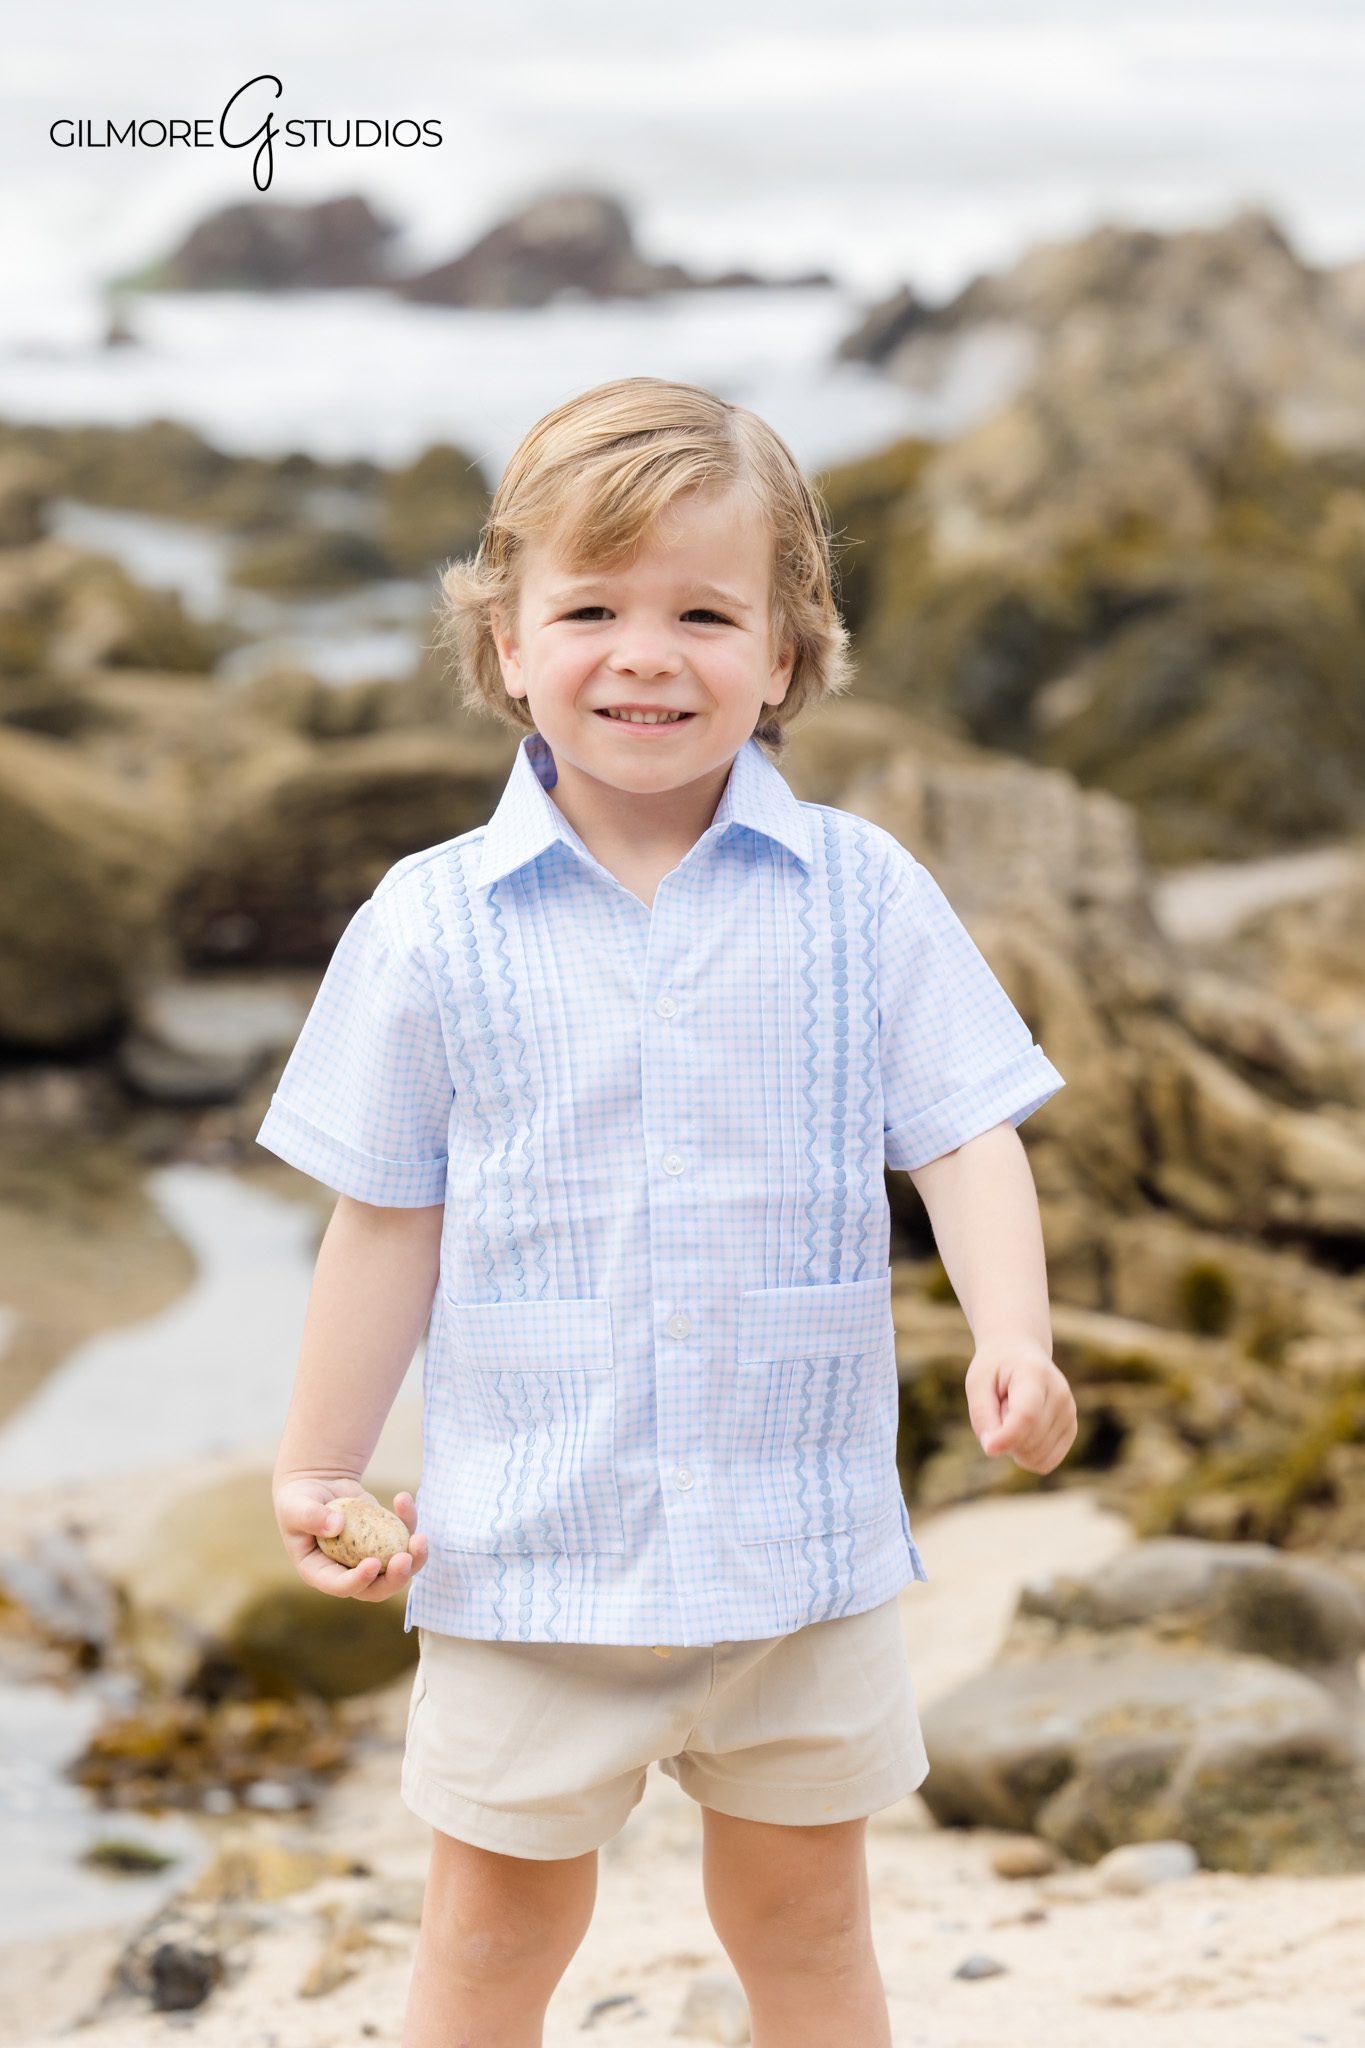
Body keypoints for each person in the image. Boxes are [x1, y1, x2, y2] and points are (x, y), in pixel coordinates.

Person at [261, 375, 1075, 2048]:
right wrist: (320, 1462)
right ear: (505, 643)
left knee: (806, 1922)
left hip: (797, 1550)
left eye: (704, 613)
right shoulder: (429, 928)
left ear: (783, 654)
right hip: (530, 1552)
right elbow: (384, 1220)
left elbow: (966, 1135)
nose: (646, 653)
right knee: (489, 1940)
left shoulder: (859, 894)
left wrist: (1013, 1334)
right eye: (591, 609)